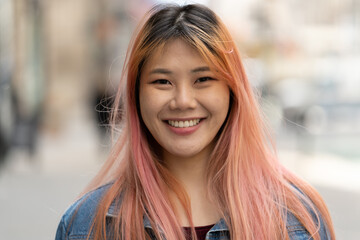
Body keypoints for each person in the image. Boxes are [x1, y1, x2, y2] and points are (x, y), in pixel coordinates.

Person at [55, 4, 335, 240]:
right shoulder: (87, 225)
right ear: (136, 94)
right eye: (162, 81)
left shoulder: (297, 219)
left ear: (232, 90)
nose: (183, 100)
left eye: (203, 80)